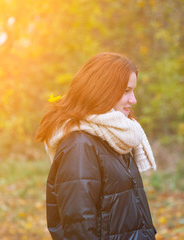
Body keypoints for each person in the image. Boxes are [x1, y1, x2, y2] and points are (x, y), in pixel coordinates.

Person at [35, 52, 157, 239]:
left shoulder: (115, 137)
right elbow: (78, 228)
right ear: (103, 90)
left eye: (132, 91)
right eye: (126, 91)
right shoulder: (79, 146)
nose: (133, 100)